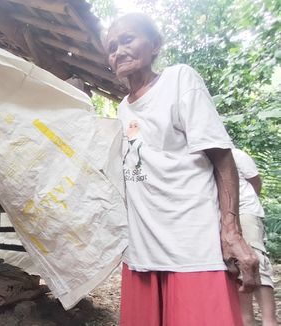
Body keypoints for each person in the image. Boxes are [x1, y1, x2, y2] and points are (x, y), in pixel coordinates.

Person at [105, 13, 260, 325]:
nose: (118, 51)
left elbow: (221, 155)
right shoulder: (122, 108)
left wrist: (230, 231)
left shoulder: (180, 79)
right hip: (143, 251)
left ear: (155, 45)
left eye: (127, 39)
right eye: (111, 47)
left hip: (192, 246)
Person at [233, 148, 278, 326]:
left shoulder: (236, 155)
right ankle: (246, 320)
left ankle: (269, 320)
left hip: (245, 211)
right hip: (221, 216)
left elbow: (255, 183)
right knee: (235, 266)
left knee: (255, 261)